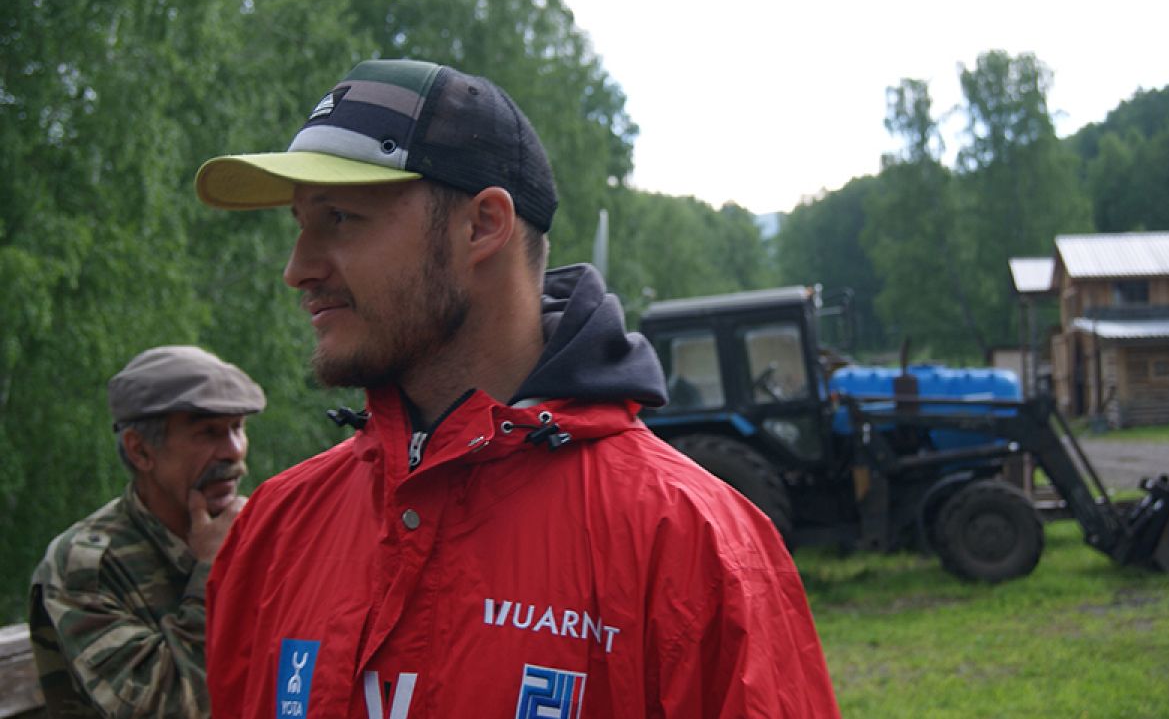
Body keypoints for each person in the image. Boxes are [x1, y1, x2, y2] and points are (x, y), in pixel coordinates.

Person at [194, 59, 841, 718]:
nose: (297, 269)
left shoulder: (695, 545)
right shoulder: (274, 531)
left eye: (339, 217)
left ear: (481, 226)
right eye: (300, 225)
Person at [28, 345, 266, 718]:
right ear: (140, 451)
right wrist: (215, 571)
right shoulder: (86, 565)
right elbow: (170, 706)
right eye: (207, 433)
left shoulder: (259, 533)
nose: (234, 451)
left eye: (237, 428)